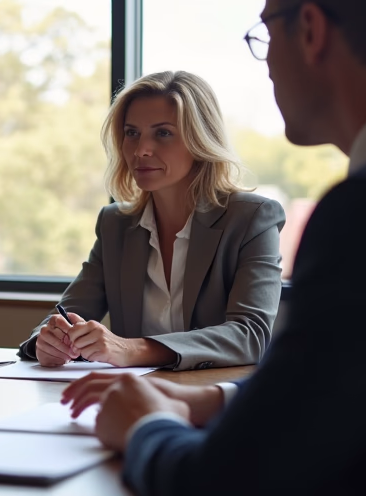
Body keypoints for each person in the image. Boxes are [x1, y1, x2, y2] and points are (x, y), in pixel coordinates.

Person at [62, 0, 366, 493]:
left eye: (265, 33)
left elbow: (226, 483)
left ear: (312, 29)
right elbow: (351, 385)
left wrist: (146, 426)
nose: (267, 63)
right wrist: (209, 400)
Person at [18, 71, 285, 370]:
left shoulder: (252, 218)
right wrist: (48, 341)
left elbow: (250, 336)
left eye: (163, 133)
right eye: (132, 133)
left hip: (212, 400)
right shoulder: (115, 223)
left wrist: (133, 349)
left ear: (201, 139)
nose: (141, 150)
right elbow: (69, 313)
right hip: (129, 396)